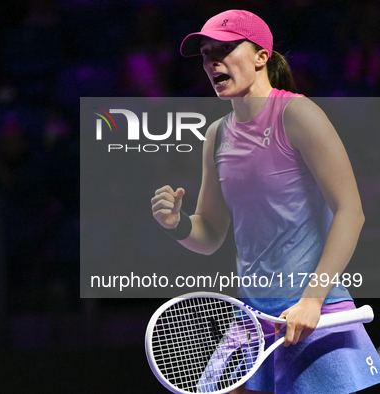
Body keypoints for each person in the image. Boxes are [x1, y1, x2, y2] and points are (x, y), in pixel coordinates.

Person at [150, 10, 380, 394]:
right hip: (257, 321)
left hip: (314, 313)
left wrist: (312, 299)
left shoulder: (298, 115)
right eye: (206, 53)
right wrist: (178, 224)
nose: (212, 61)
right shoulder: (217, 135)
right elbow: (210, 233)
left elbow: (350, 212)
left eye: (225, 48)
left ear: (261, 56)